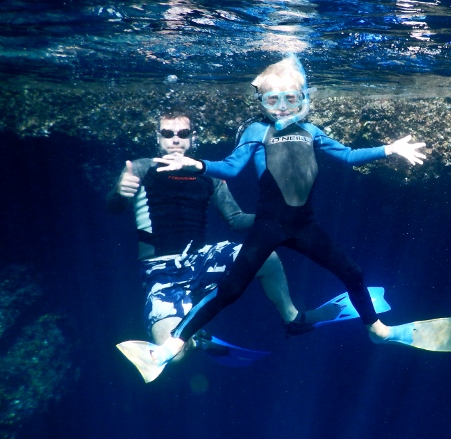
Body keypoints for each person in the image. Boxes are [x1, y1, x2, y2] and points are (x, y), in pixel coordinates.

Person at [117, 57, 451, 383]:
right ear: (261, 102)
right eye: (272, 100)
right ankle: (173, 346)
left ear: (303, 100)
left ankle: (378, 331)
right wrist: (200, 165)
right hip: (265, 228)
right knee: (231, 289)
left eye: (290, 99)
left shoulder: (311, 130)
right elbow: (233, 167)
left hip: (303, 226)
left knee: (352, 272)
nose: (281, 107)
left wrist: (389, 149)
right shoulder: (255, 131)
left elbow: (348, 155)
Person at [109, 109, 341, 367]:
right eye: (168, 133)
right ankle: (196, 341)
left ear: (192, 138)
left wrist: (275, 215)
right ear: (159, 137)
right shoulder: (140, 168)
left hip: (201, 260)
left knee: (266, 256)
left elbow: (236, 219)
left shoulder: (209, 174)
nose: (175, 139)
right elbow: (114, 207)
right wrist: (120, 192)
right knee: (171, 357)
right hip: (160, 273)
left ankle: (293, 319)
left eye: (183, 134)